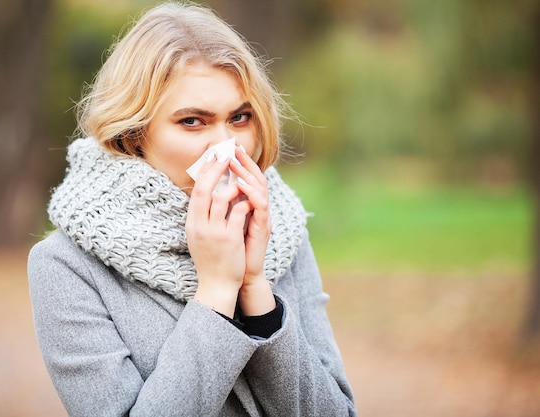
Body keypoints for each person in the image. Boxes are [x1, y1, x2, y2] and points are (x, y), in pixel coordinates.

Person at [27, 2, 356, 416]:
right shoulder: (65, 266)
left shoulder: (282, 231)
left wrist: (255, 286)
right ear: (133, 134)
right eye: (192, 121)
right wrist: (218, 290)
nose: (226, 147)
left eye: (240, 117)